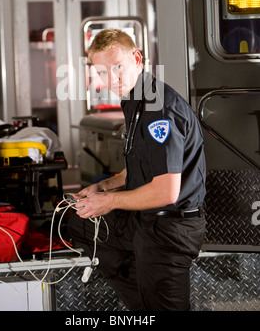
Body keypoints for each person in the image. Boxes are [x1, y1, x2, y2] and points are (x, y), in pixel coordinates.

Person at [68, 29, 206, 311]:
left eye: (118, 67)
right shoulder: (134, 99)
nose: (112, 79)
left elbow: (166, 191)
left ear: (137, 58)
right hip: (143, 220)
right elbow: (139, 169)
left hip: (170, 227)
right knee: (77, 222)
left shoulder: (160, 108)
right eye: (103, 72)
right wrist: (104, 187)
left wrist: (108, 202)